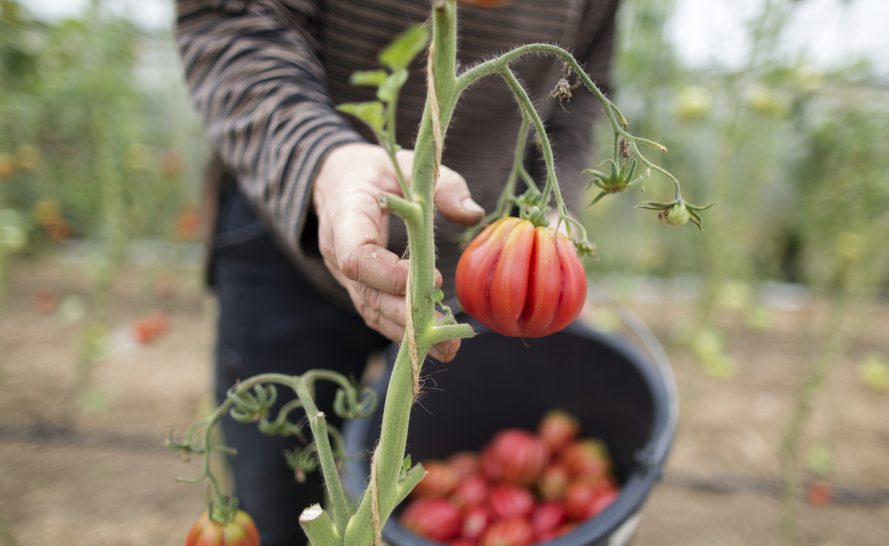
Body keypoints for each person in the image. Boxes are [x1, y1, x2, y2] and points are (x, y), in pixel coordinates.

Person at [175, 1, 619, 544]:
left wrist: (553, 209)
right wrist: (324, 162)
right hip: (292, 219)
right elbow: (228, 20)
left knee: (443, 461)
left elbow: (583, 84)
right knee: (277, 503)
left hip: (486, 263)